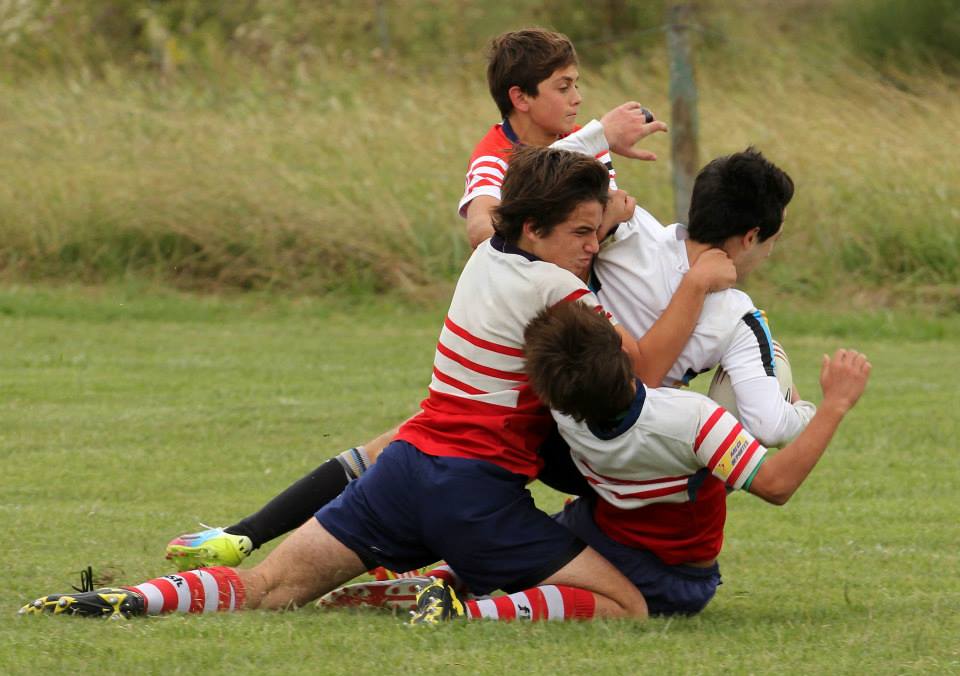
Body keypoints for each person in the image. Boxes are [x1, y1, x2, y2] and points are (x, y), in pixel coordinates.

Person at [164, 27, 733, 574]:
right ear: (521, 98)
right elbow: (485, 231)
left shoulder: (583, 153)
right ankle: (246, 535)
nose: (578, 97)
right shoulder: (497, 157)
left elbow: (590, 224)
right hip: (543, 349)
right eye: (563, 85)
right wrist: (600, 164)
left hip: (595, 345)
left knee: (424, 451)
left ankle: (296, 544)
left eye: (576, 84)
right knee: (424, 448)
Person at [22, 146, 654, 623]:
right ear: (537, 229)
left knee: (268, 589)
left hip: (404, 470)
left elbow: (509, 199)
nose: (594, 247)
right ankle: (464, 603)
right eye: (582, 233)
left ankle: (128, 601)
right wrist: (699, 286)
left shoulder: (488, 252)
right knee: (626, 605)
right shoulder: (559, 289)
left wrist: (594, 204)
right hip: (475, 493)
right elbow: (643, 367)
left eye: (597, 232)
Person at [525, 301, 871, 616]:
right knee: (535, 573)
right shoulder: (694, 421)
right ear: (622, 351)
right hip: (671, 578)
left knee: (502, 551)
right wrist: (835, 403)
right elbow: (776, 484)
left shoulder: (563, 408)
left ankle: (481, 592)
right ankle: (482, 613)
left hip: (594, 529)